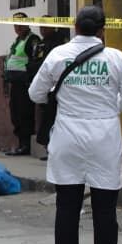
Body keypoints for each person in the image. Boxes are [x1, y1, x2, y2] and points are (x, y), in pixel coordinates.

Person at [28, 6, 122, 244]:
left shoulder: (57, 55)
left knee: (67, 209)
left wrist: (67, 101)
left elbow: (35, 93)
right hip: (104, 137)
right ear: (102, 30)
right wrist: (103, 106)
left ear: (75, 27)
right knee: (105, 211)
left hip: (67, 137)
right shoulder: (115, 58)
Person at [4, 13, 41, 156]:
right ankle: (20, 143)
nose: (18, 27)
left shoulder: (33, 40)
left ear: (27, 24)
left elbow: (35, 61)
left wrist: (27, 75)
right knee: (15, 113)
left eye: (20, 24)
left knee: (25, 114)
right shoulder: (18, 40)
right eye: (15, 25)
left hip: (25, 83)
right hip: (16, 83)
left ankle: (25, 145)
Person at [32, 18, 69, 158]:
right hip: (44, 85)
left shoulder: (60, 42)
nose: (42, 30)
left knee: (54, 119)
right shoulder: (41, 43)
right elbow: (36, 61)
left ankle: (54, 149)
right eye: (41, 27)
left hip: (57, 87)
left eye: (45, 27)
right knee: (46, 118)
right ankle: (48, 148)